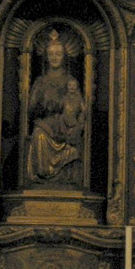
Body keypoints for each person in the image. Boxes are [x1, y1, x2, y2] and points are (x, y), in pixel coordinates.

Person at [26, 29, 84, 185]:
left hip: (65, 126)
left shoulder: (70, 81)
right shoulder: (40, 82)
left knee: (73, 144)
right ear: (46, 56)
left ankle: (65, 178)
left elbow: (78, 104)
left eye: (58, 54)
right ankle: (44, 176)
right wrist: (43, 105)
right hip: (45, 125)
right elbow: (31, 109)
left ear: (64, 56)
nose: (54, 57)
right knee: (38, 135)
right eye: (51, 54)